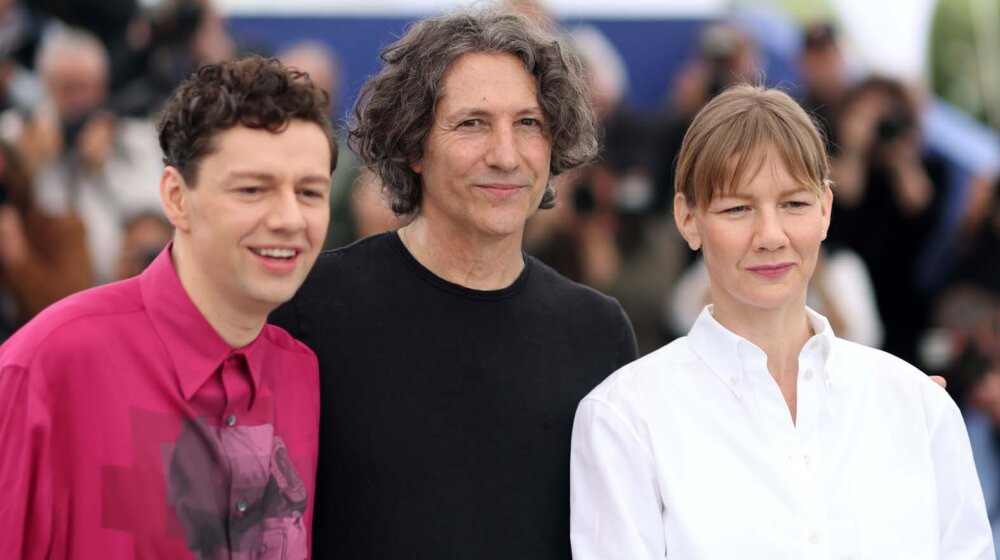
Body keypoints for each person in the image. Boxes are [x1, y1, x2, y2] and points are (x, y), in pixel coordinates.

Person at [270, 9, 638, 559]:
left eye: (529, 124)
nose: (506, 155)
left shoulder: (598, 333)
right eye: (472, 123)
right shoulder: (311, 309)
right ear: (414, 145)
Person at [569, 84, 993, 559]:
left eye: (794, 204)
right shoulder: (624, 420)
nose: (770, 236)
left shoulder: (918, 407)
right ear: (687, 219)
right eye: (737, 208)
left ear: (826, 209)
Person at [0, 54, 335, 558]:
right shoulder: (50, 363)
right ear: (177, 198)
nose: (289, 218)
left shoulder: (302, 372)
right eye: (252, 189)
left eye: (309, 192)